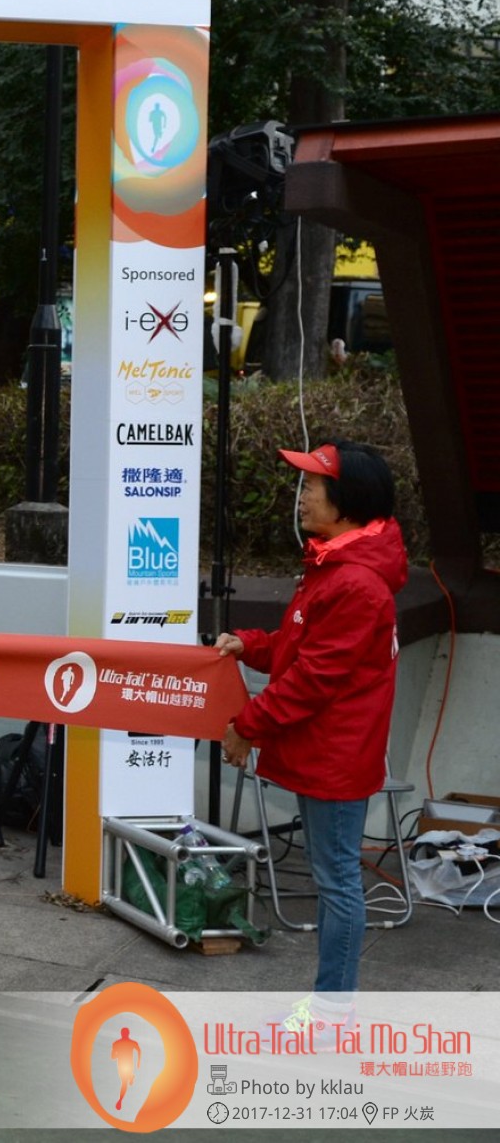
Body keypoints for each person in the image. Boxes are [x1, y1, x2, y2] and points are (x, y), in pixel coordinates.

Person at [215, 439, 404, 1029]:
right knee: (334, 879)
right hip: (323, 752)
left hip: (335, 759)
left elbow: (313, 680)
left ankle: (331, 1015)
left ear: (348, 501)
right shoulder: (334, 565)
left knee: (338, 882)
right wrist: (250, 644)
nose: (303, 497)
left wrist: (246, 726)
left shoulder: (356, 583)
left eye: (314, 487)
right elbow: (302, 649)